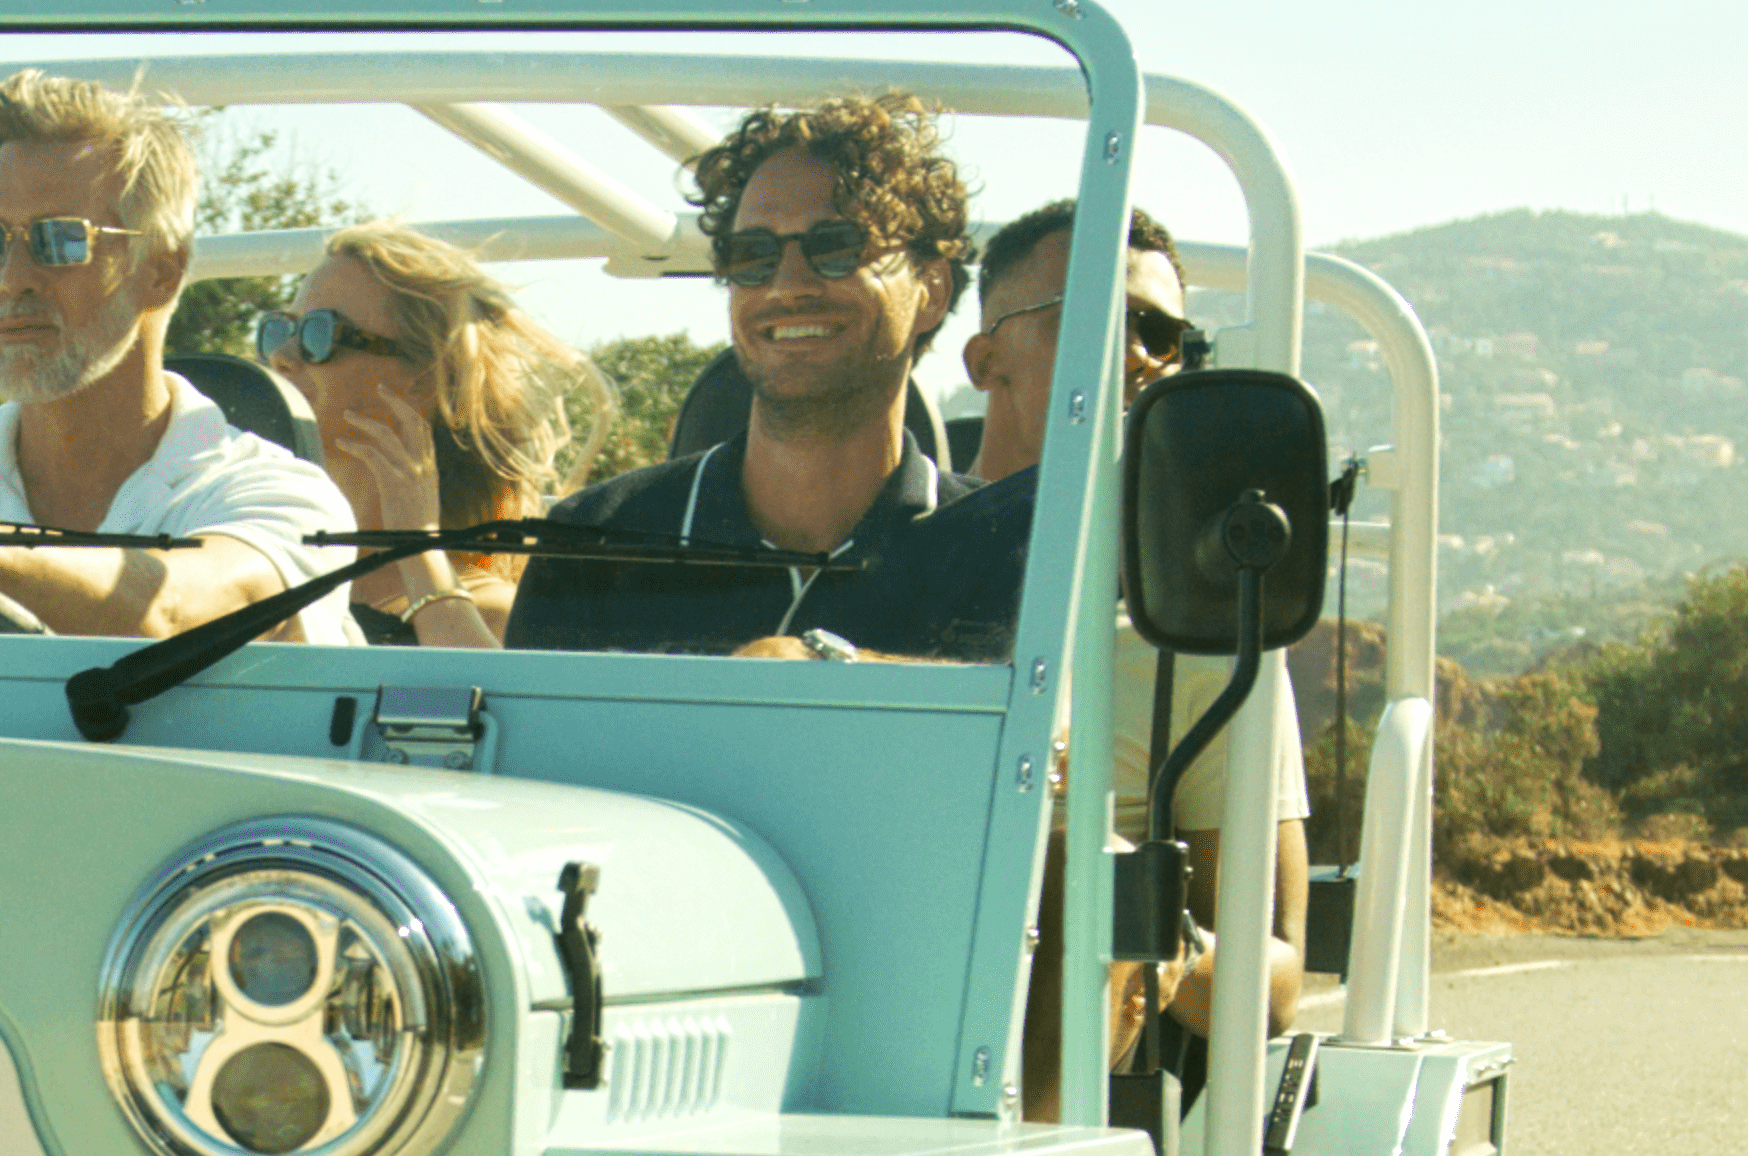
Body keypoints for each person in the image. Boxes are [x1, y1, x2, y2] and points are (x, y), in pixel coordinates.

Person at [0, 76, 357, 638]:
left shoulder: (276, 498)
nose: (12, 279)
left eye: (61, 240)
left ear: (160, 271)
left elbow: (171, 610)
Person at [503, 95, 1025, 662]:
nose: (787, 283)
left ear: (932, 289)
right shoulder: (594, 542)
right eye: (752, 253)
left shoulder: (1011, 551)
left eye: (837, 247)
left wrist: (837, 673)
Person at [968, 199, 1307, 1055]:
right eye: (1088, 318)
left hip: (1082, 1070)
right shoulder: (887, 559)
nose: (1133, 355)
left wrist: (1118, 917)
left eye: (1162, 336)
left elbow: (1270, 983)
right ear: (984, 359)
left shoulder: (1195, 629)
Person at [255, 223, 606, 652]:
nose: (283, 356)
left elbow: (494, 702)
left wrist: (417, 545)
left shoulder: (489, 613)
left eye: (319, 332)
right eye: (281, 329)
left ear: (424, 380)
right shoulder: (251, 556)